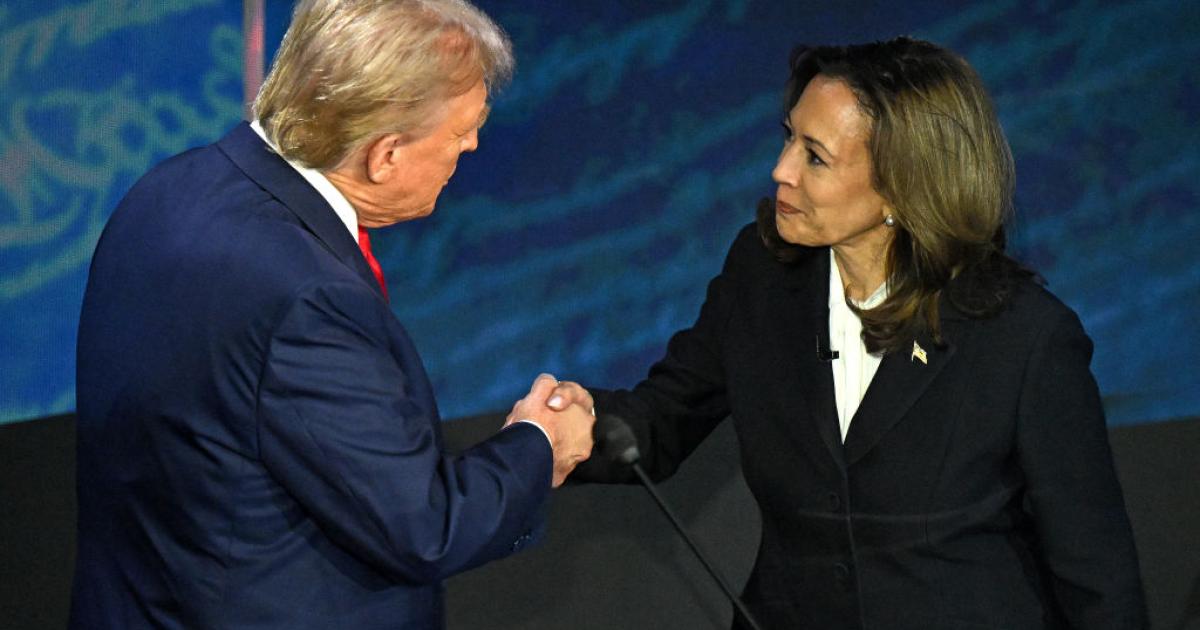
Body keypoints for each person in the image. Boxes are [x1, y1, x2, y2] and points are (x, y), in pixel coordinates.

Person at [550, 37, 1147, 629]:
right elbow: (665, 416)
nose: (780, 169)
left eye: (815, 155)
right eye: (789, 136)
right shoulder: (762, 276)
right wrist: (563, 429)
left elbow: (1096, 573)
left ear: (901, 185)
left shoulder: (1024, 337)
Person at [70, 1, 593, 628]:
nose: (473, 145)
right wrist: (538, 445)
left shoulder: (168, 189)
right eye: (460, 134)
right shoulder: (309, 299)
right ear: (386, 154)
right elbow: (424, 527)